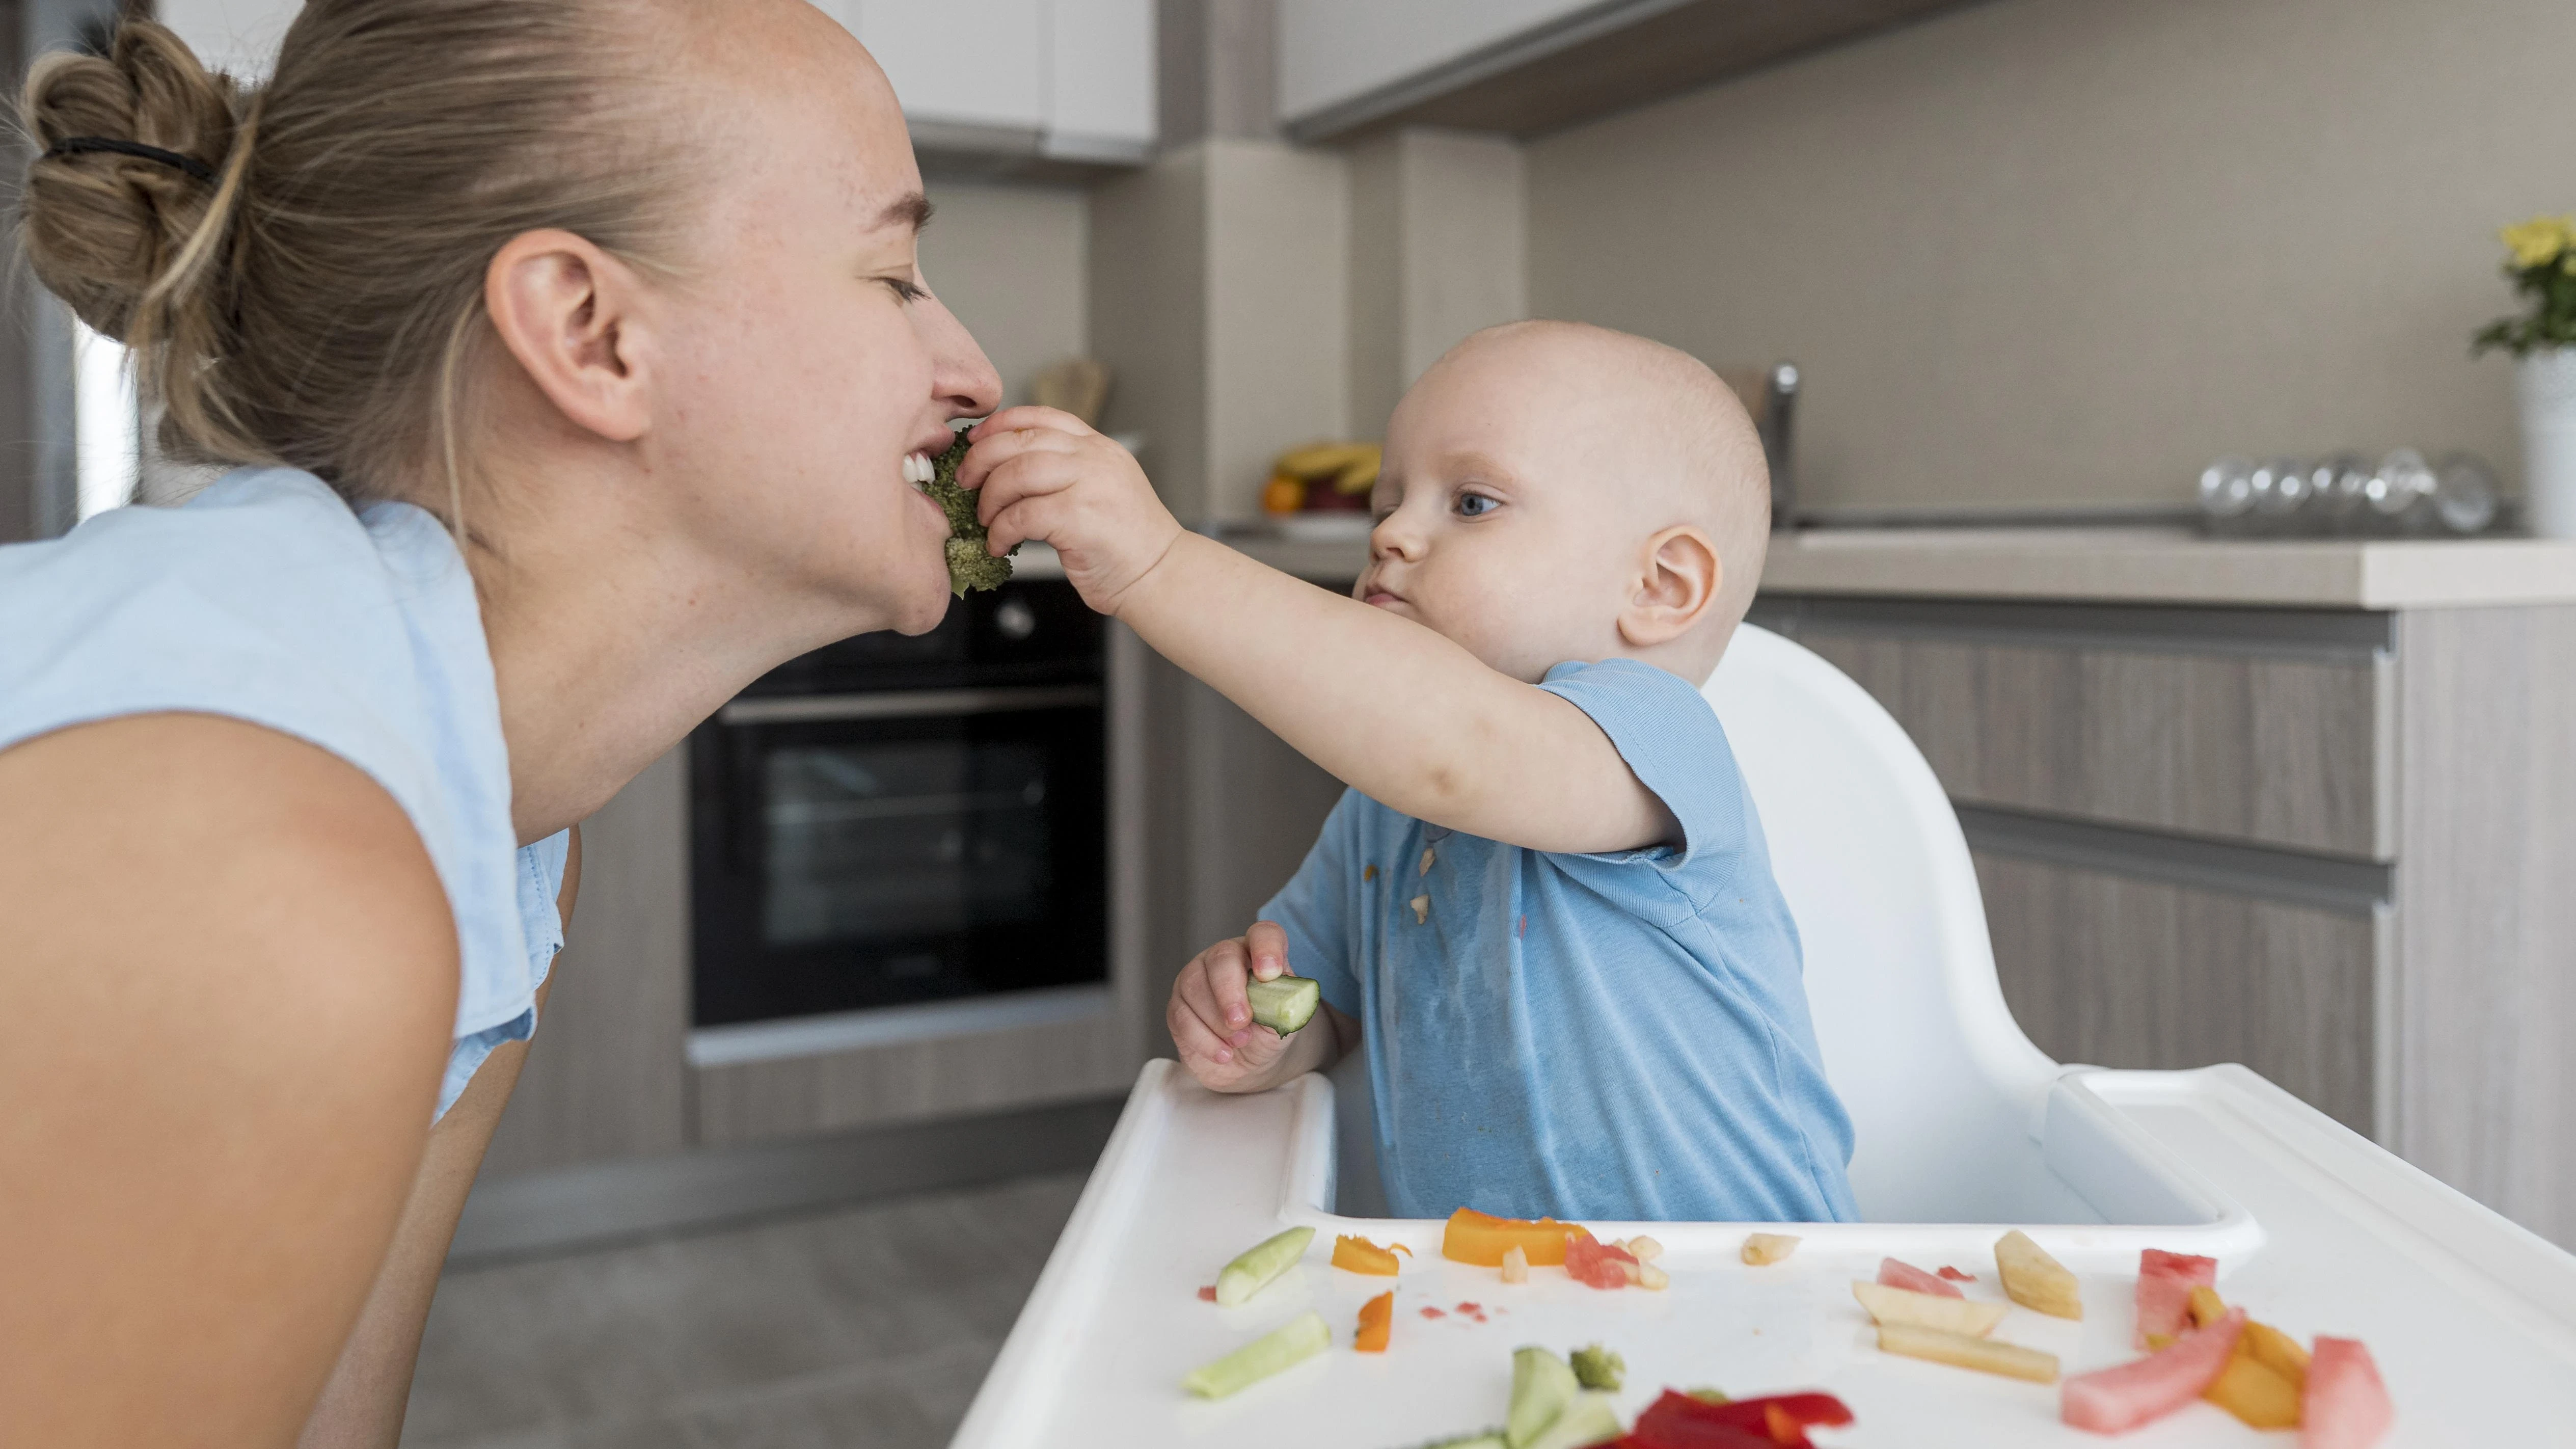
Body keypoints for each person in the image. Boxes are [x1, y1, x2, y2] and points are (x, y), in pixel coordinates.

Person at [0, 4, 1000, 1443]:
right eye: (895, 273)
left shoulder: (496, 825)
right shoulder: (264, 872)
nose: (974, 372)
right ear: (592, 334)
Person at [960, 320, 1859, 1223]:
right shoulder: (1382, 809)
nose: (1391, 532)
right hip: (1483, 1298)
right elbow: (1332, 1009)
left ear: (1659, 586)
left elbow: (1459, 750)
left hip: (1755, 1286)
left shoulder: (1654, 735)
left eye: (1470, 502)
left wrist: (1160, 563)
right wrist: (1263, 1028)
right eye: (1386, 503)